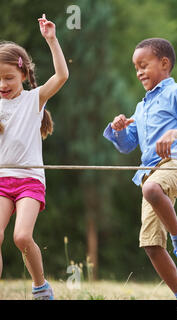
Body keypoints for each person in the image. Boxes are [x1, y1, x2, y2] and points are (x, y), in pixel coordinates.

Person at [103, 38, 177, 300]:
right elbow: (128, 145)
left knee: (151, 188)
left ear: (164, 63)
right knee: (150, 245)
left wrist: (175, 133)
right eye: (135, 67)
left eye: (143, 65)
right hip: (149, 173)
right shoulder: (141, 107)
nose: (138, 72)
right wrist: (119, 130)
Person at [0, 14, 69, 300]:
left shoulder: (34, 99)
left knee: (21, 237)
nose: (2, 84)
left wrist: (51, 41)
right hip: (1, 179)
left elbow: (62, 76)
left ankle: (40, 286)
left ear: (24, 75)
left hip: (29, 180)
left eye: (8, 78)